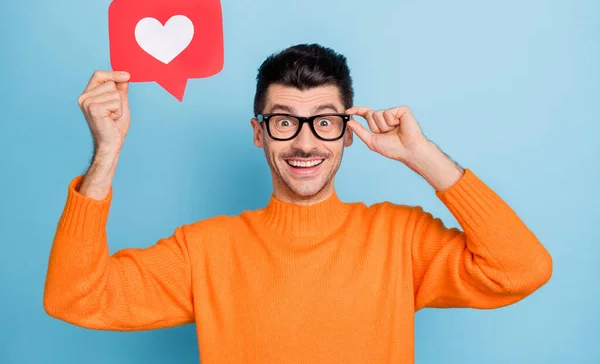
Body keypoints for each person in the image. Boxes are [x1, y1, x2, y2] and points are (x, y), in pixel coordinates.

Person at [44, 43, 552, 363]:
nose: (305, 143)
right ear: (258, 135)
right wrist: (106, 151)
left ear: (348, 133)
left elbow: (521, 270)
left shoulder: (401, 238)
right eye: (284, 122)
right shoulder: (204, 251)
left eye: (324, 122)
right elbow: (75, 296)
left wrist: (423, 157)